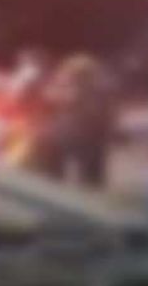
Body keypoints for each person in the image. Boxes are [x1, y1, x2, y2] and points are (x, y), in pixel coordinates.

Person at [32, 53, 118, 188]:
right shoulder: (98, 88)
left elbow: (56, 97)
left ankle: (58, 187)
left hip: (77, 135)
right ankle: (78, 189)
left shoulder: (94, 90)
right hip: (75, 135)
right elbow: (52, 96)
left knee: (87, 171)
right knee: (89, 173)